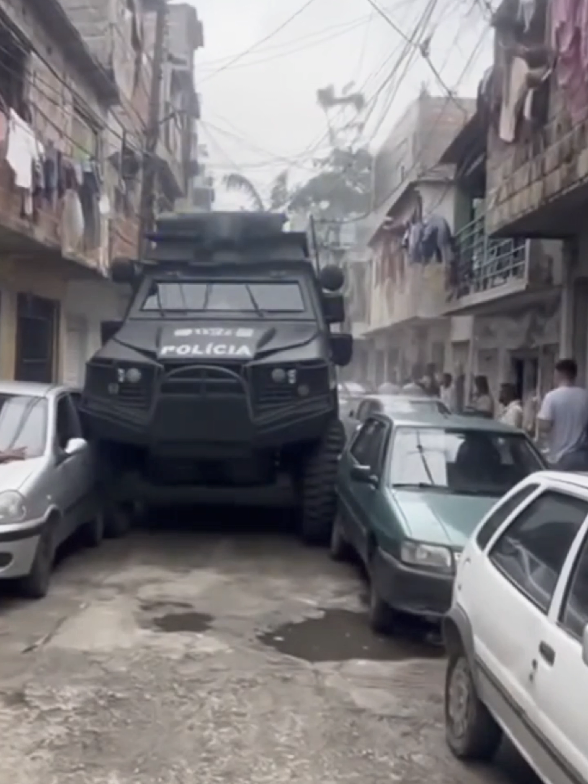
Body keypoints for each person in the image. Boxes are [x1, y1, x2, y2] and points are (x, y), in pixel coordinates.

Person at [537, 358, 588, 469]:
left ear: (558, 374)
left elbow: (544, 426)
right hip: (583, 456)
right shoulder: (585, 396)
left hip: (560, 457)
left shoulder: (551, 397)